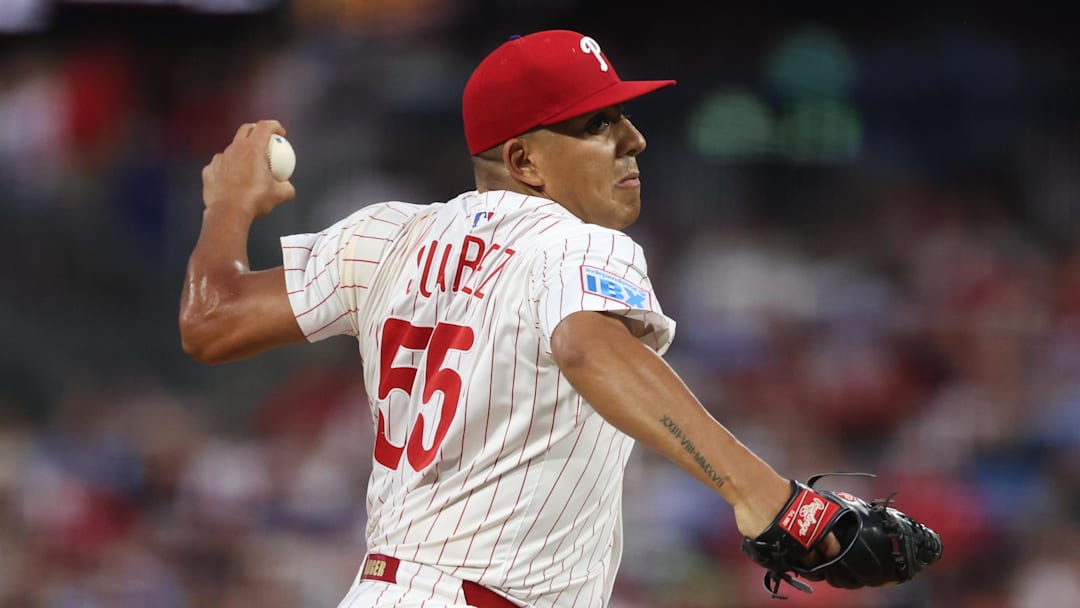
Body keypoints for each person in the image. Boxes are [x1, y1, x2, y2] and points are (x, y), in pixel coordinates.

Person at [181, 30, 824, 607]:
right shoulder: (573, 240)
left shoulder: (387, 237)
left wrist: (228, 209)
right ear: (523, 163)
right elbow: (586, 345)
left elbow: (212, 321)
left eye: (622, 115)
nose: (634, 139)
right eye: (597, 124)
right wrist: (768, 497)